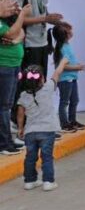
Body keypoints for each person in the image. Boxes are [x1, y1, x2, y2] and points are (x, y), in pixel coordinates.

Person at [17, 59, 69, 191]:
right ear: (42, 79)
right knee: (46, 157)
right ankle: (48, 181)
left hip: (30, 132)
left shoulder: (23, 95)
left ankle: (29, 181)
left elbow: (20, 114)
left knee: (30, 157)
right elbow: (57, 73)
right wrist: (63, 61)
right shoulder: (48, 88)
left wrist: (20, 128)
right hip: (47, 130)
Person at [11, 0, 63, 75]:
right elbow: (14, 19)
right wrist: (44, 19)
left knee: (41, 83)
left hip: (42, 42)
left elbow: (43, 12)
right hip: (27, 44)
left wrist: (55, 21)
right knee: (27, 86)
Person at [0, 0, 30, 155]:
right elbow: (12, 33)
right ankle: (4, 143)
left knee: (7, 105)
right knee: (3, 107)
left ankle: (7, 141)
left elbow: (19, 34)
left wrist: (14, 40)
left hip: (13, 65)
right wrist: (22, 15)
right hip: (3, 65)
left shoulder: (7, 18)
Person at [51, 22, 85, 133]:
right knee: (65, 101)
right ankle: (64, 124)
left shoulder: (65, 46)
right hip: (65, 79)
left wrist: (77, 67)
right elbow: (63, 66)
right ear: (65, 35)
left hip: (72, 78)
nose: (72, 32)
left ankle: (72, 120)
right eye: (69, 31)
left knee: (74, 100)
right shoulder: (63, 48)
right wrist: (77, 67)